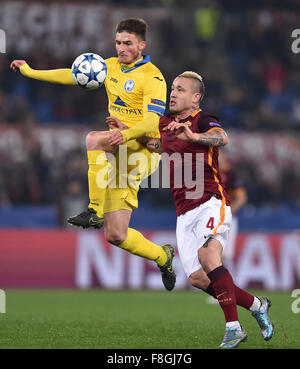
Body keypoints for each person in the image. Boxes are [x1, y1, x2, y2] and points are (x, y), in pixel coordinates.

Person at [10, 18, 176, 291]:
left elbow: (151, 122)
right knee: (116, 235)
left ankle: (94, 210)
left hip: (142, 152)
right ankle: (163, 256)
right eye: (118, 42)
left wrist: (125, 134)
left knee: (93, 139)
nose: (121, 48)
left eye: (127, 43)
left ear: (142, 45)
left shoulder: (153, 77)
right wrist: (31, 72)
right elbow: (71, 74)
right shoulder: (109, 66)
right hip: (119, 145)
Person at [113, 71, 274, 348]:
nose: (172, 93)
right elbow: (156, 145)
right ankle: (257, 304)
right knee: (199, 278)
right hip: (183, 212)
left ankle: (233, 328)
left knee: (208, 256)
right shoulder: (164, 123)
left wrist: (195, 136)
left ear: (195, 97)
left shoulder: (202, 119)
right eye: (172, 89)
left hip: (211, 201)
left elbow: (221, 138)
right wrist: (128, 133)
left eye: (180, 90)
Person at [218, 148, 247, 274]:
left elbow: (241, 198)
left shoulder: (231, 174)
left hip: (226, 219)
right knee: (209, 253)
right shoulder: (207, 172)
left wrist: (229, 211)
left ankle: (229, 286)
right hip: (208, 218)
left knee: (225, 255)